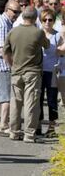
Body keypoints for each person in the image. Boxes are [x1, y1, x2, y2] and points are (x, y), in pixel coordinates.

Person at [3, 6, 49, 143]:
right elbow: (46, 45)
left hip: (16, 71)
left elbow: (5, 52)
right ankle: (29, 134)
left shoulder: (13, 32)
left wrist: (12, 65)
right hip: (33, 72)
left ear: (23, 17)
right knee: (31, 103)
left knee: (15, 102)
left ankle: (14, 132)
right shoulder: (38, 32)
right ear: (36, 18)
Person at [0, 0, 21, 135]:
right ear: (7, 9)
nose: (17, 15)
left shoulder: (4, 22)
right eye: (15, 12)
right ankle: (4, 124)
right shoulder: (2, 25)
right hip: (2, 64)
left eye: (18, 12)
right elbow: (3, 50)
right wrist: (12, 64)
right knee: (6, 96)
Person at [38, 9, 62, 137]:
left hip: (52, 71)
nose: (47, 22)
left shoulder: (58, 35)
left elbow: (61, 54)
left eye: (50, 20)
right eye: (44, 20)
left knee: (52, 99)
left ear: (53, 21)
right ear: (41, 21)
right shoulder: (38, 34)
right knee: (38, 99)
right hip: (39, 71)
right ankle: (38, 126)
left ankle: (52, 127)